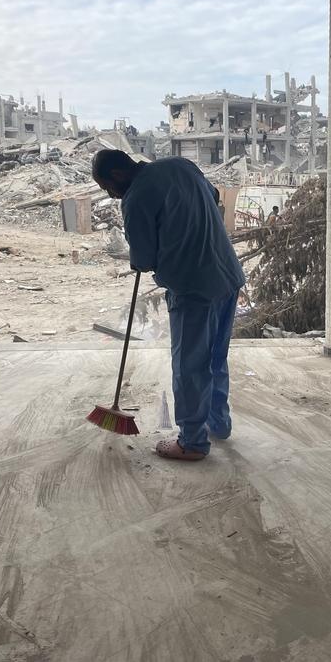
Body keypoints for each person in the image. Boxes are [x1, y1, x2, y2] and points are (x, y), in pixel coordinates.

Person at [92, 150, 245, 461]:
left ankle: (192, 442)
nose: (108, 193)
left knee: (189, 366)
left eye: (106, 186)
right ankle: (219, 423)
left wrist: (147, 252)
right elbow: (213, 195)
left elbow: (144, 259)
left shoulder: (135, 198)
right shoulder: (181, 165)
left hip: (193, 287)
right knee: (215, 358)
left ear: (118, 175)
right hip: (227, 276)